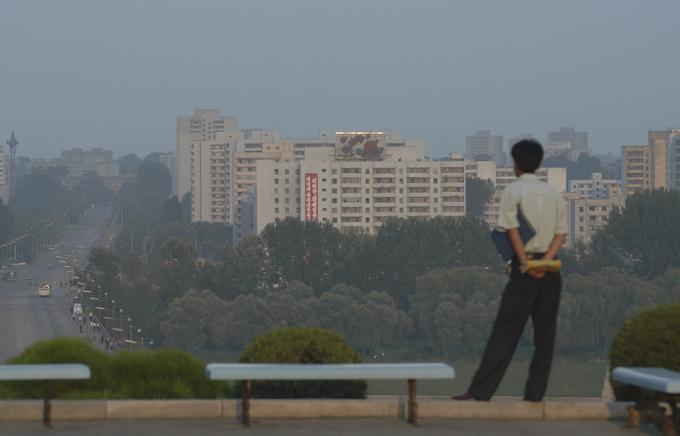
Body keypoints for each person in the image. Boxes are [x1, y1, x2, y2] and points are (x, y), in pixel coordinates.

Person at [454, 139, 567, 402]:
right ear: (538, 164)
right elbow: (560, 235)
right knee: (545, 336)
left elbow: (512, 231)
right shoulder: (552, 193)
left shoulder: (513, 192)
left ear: (516, 165)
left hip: (523, 270)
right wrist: (544, 262)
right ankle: (535, 395)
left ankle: (480, 392)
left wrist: (527, 263)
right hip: (550, 270)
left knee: (505, 331)